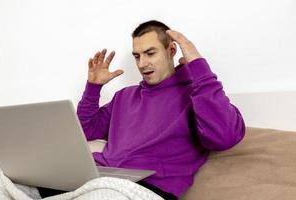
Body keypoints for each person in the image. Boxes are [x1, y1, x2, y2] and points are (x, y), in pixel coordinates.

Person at [75, 20, 246, 200]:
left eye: (150, 53)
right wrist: (93, 88)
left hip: (147, 189)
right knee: (43, 184)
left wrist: (197, 64)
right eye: (137, 56)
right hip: (99, 178)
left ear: (171, 50)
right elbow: (86, 132)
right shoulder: (124, 96)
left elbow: (225, 136)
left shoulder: (197, 96)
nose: (142, 64)